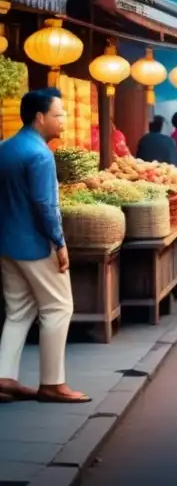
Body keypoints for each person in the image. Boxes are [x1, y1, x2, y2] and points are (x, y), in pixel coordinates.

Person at [0, 89, 89, 403]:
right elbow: (45, 204)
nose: (63, 120)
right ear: (40, 118)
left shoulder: (5, 147)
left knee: (18, 310)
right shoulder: (40, 154)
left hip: (6, 244)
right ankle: (52, 383)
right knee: (58, 307)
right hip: (36, 243)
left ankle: (4, 377)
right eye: (58, 114)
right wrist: (60, 242)